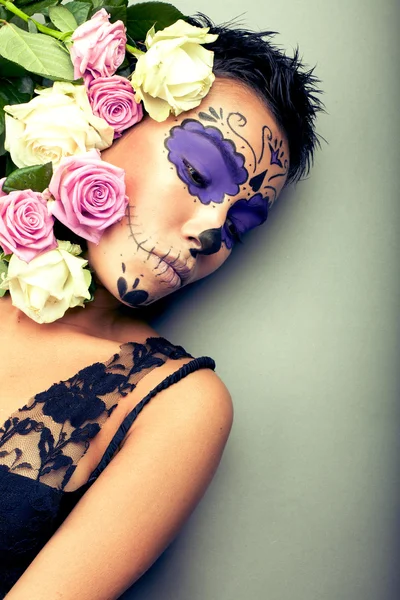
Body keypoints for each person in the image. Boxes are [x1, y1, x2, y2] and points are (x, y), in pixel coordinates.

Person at [0, 4, 322, 598]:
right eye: (201, 175)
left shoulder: (174, 405)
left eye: (238, 227)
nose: (210, 233)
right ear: (106, 117)